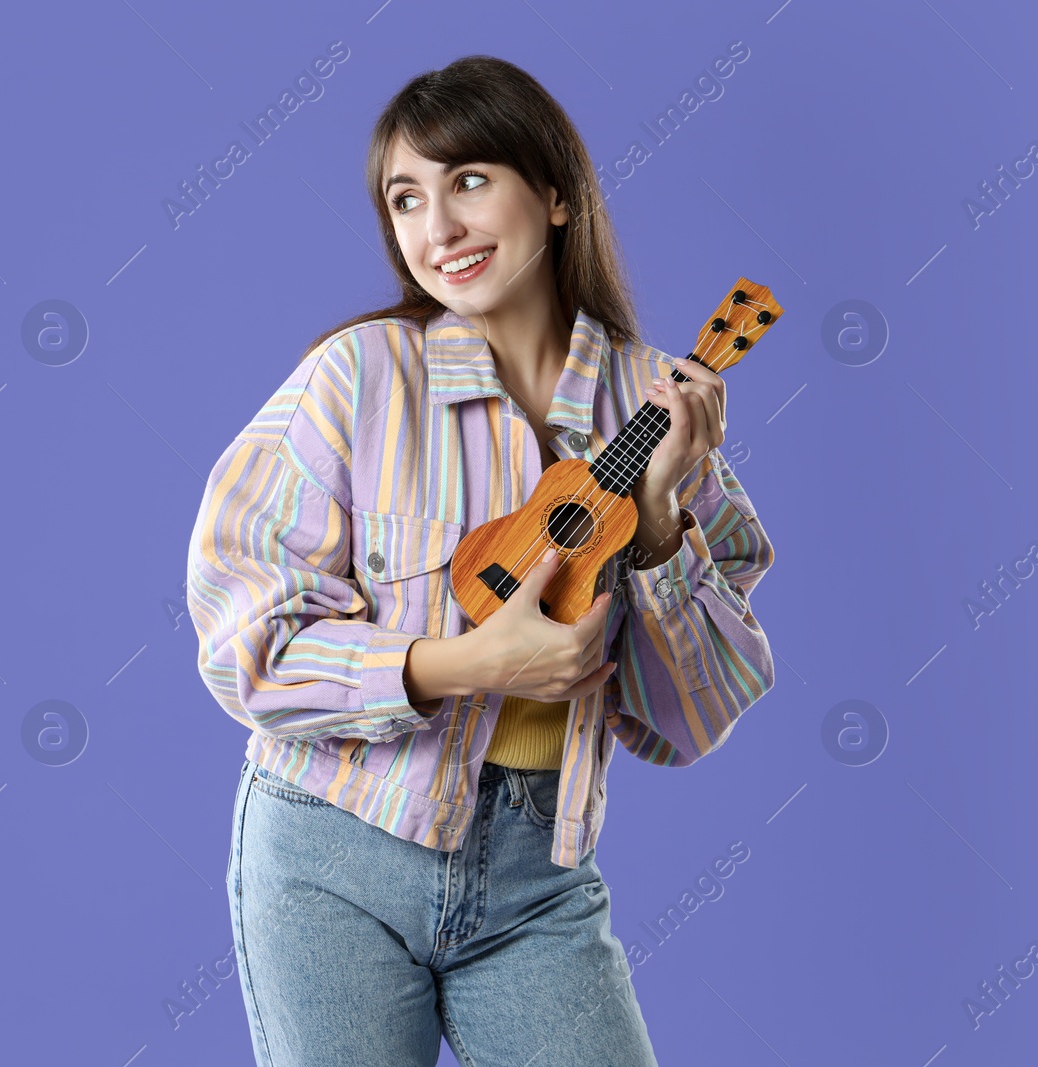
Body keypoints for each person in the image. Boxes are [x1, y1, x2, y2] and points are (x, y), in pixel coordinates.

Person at [184, 54, 775, 1067]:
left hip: (535, 871)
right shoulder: (356, 380)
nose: (437, 228)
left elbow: (696, 717)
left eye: (466, 180)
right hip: (333, 849)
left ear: (553, 192)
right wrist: (470, 665)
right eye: (404, 198)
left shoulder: (656, 400)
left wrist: (665, 510)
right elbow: (247, 647)